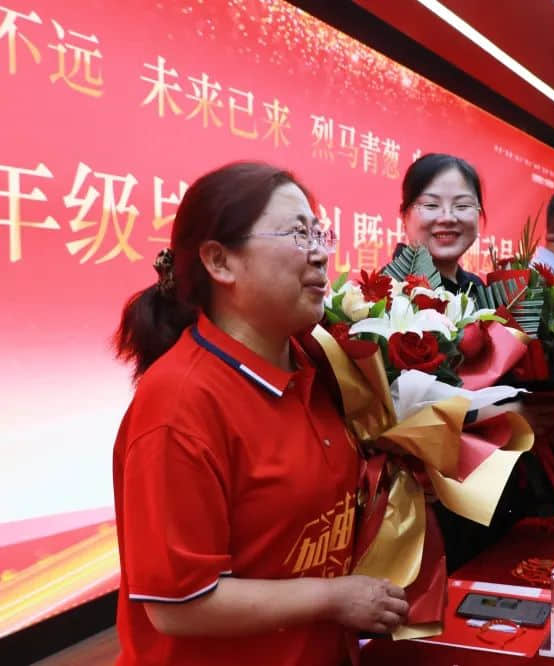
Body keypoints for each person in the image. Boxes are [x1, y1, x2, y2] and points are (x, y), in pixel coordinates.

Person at [112, 162, 408, 666]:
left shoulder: (317, 363)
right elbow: (180, 606)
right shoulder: (180, 406)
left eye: (320, 232)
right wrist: (338, 597)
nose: (320, 253)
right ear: (220, 262)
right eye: (298, 234)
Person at [397, 153, 485, 293]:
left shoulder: (478, 289)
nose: (447, 218)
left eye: (462, 205)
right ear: (405, 216)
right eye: (431, 205)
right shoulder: (386, 292)